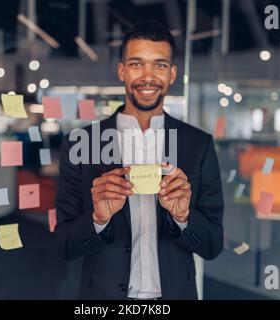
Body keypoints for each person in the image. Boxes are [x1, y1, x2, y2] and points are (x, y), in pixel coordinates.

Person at [55, 20, 224, 300]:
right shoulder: (80, 143)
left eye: (159, 65)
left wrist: (184, 216)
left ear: (172, 74)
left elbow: (212, 245)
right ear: (122, 71)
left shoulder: (198, 144)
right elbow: (65, 246)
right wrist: (98, 218)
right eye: (136, 64)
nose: (148, 76)